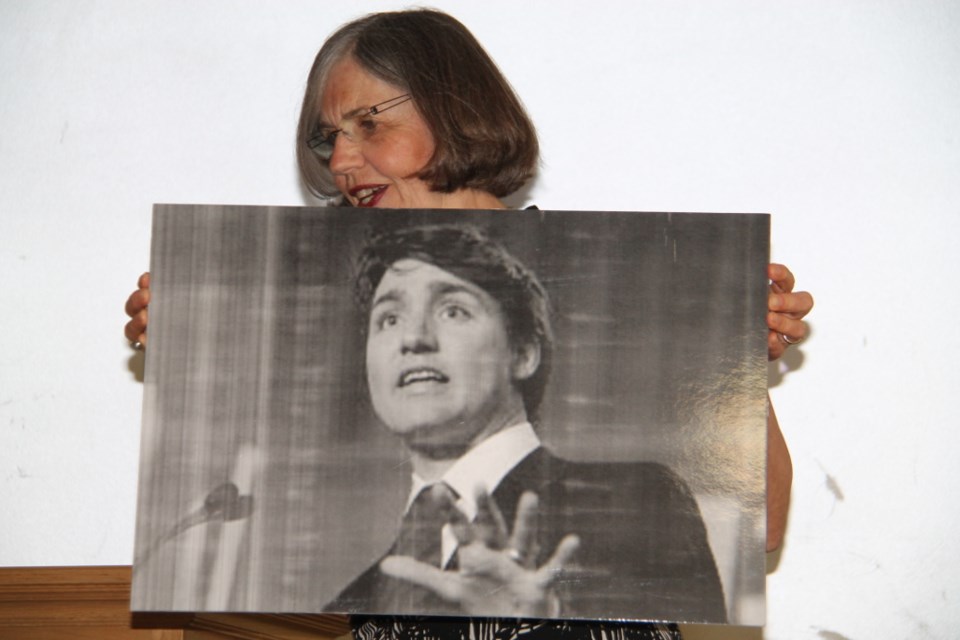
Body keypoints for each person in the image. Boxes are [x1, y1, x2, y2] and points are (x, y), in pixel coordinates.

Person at [124, 9, 813, 639]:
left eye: (369, 123)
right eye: (328, 137)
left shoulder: (635, 493)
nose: (340, 162)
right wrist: (180, 341)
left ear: (524, 348)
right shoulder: (364, 582)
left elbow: (767, 522)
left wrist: (737, 364)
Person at [326, 222, 728, 625]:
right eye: (389, 319)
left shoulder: (634, 505)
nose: (412, 338)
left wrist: (541, 624)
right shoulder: (345, 606)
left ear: (523, 354)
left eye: (453, 310)